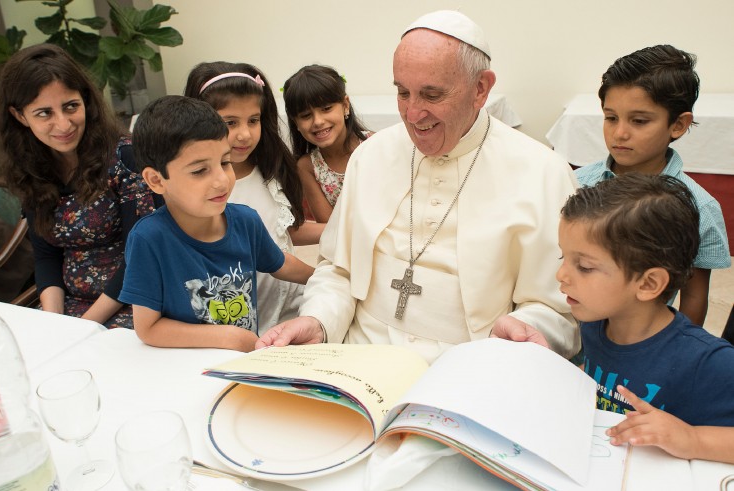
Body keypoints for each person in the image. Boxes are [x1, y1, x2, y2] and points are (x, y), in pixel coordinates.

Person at [257, 10, 580, 364]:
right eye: (403, 92)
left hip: (473, 365)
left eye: (431, 95)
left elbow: (559, 308)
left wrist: (523, 330)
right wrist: (318, 321)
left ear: (481, 89)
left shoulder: (544, 173)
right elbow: (338, 270)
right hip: (359, 357)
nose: (412, 115)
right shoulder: (372, 156)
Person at [557, 173, 734, 463]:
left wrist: (693, 439)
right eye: (561, 257)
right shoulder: (593, 322)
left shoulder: (706, 361)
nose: (561, 275)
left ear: (648, 284)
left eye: (585, 266)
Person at [120, 96, 314, 351]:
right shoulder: (149, 239)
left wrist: (332, 278)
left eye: (225, 162)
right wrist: (230, 337)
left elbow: (280, 264)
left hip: (244, 360)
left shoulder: (246, 220)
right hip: (187, 367)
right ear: (156, 180)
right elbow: (148, 328)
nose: (222, 180)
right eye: (200, 171)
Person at [0, 44, 160, 328]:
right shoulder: (29, 168)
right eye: (44, 113)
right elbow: (46, 256)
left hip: (135, 303)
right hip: (68, 308)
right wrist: (55, 324)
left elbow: (142, 255)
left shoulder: (126, 158)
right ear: (20, 116)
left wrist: (83, 326)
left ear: (85, 100)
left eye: (71, 106)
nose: (63, 124)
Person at [574, 45, 730, 326]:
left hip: (639, 344)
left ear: (678, 125)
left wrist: (673, 355)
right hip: (568, 334)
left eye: (639, 121)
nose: (619, 133)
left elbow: (694, 296)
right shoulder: (577, 184)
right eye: (611, 118)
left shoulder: (699, 207)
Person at [184, 62, 323, 333]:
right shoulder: (202, 194)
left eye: (253, 120)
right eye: (230, 123)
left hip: (293, 307)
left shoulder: (270, 170)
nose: (245, 134)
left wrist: (334, 232)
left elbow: (281, 230)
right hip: (241, 323)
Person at [283, 65, 372, 223]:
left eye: (326, 109)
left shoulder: (374, 145)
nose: (318, 121)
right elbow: (328, 226)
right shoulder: (307, 167)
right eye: (306, 115)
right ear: (295, 122)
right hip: (344, 245)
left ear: (345, 105)